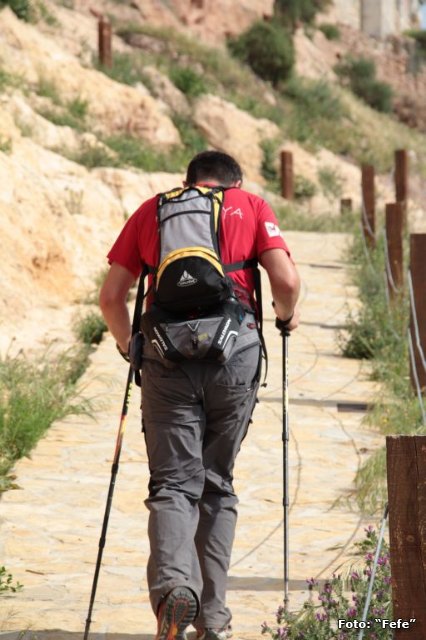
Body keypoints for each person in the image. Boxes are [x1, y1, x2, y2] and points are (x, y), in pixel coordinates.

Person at [99, 150, 300, 640]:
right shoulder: (250, 206)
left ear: (186, 182)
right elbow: (287, 281)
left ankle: (173, 592)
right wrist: (284, 316)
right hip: (234, 355)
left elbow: (111, 297)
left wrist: (132, 348)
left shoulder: (154, 210)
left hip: (166, 357)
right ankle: (213, 621)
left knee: (172, 483)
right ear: (235, 183)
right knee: (216, 481)